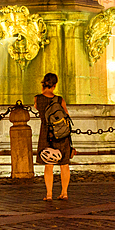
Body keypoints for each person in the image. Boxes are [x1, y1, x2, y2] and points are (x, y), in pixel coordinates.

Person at [33, 72, 73, 201]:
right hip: (61, 134)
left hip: (46, 134)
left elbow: (37, 109)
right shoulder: (60, 100)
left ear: (43, 83)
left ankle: (49, 194)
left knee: (48, 165)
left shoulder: (37, 99)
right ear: (55, 85)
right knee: (64, 164)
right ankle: (64, 192)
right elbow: (66, 115)